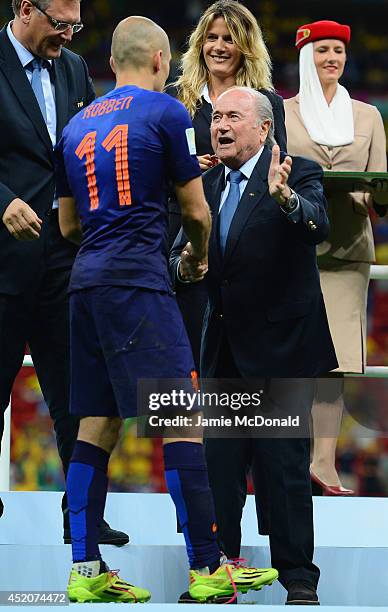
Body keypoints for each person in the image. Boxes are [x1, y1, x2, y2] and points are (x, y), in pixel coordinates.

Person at [56, 16, 278, 604]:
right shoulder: (168, 114)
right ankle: (207, 566)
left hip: (85, 285)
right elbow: (198, 213)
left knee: (95, 423)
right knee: (181, 416)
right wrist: (195, 259)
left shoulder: (75, 124)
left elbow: (67, 224)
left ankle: (85, 569)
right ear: (160, 59)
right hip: (140, 282)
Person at [170, 86, 338, 605]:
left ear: (264, 127)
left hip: (282, 349)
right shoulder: (205, 181)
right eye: (216, 116)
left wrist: (284, 196)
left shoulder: (298, 170)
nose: (220, 125)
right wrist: (184, 264)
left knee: (284, 469)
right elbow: (182, 252)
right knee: (219, 469)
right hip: (223, 347)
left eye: (233, 117)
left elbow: (317, 225)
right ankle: (219, 573)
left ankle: (299, 580)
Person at [0, 0, 127, 544]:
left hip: (66, 261)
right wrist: (1, 200)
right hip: (3, 259)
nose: (69, 35)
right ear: (25, 8)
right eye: (60, 24)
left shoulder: (73, 68)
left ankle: (84, 518)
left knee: (78, 396)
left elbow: (90, 144)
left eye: (76, 25)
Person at [285, 20, 388, 494]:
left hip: (347, 252)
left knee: (337, 361)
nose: (333, 58)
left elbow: (379, 186)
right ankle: (284, 462)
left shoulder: (368, 117)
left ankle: (322, 465)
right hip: (291, 249)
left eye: (339, 51)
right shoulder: (280, 113)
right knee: (288, 360)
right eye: (323, 49)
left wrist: (370, 198)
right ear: (307, 55)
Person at [168, 0, 287, 369]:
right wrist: (186, 171)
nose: (218, 47)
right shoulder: (178, 100)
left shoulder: (268, 103)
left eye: (229, 39)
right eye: (211, 37)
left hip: (245, 242)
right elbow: (155, 167)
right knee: (188, 366)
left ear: (245, 47)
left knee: (244, 364)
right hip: (187, 237)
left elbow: (279, 166)